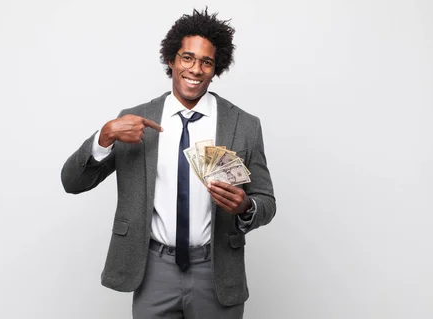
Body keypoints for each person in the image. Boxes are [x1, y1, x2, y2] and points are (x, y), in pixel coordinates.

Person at [61, 8, 276, 319]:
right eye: (187, 58)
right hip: (153, 273)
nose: (196, 69)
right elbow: (73, 182)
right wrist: (104, 136)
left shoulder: (243, 125)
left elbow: (266, 201)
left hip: (216, 272)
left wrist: (246, 207)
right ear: (171, 61)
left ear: (216, 69)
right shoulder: (134, 119)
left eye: (207, 62)